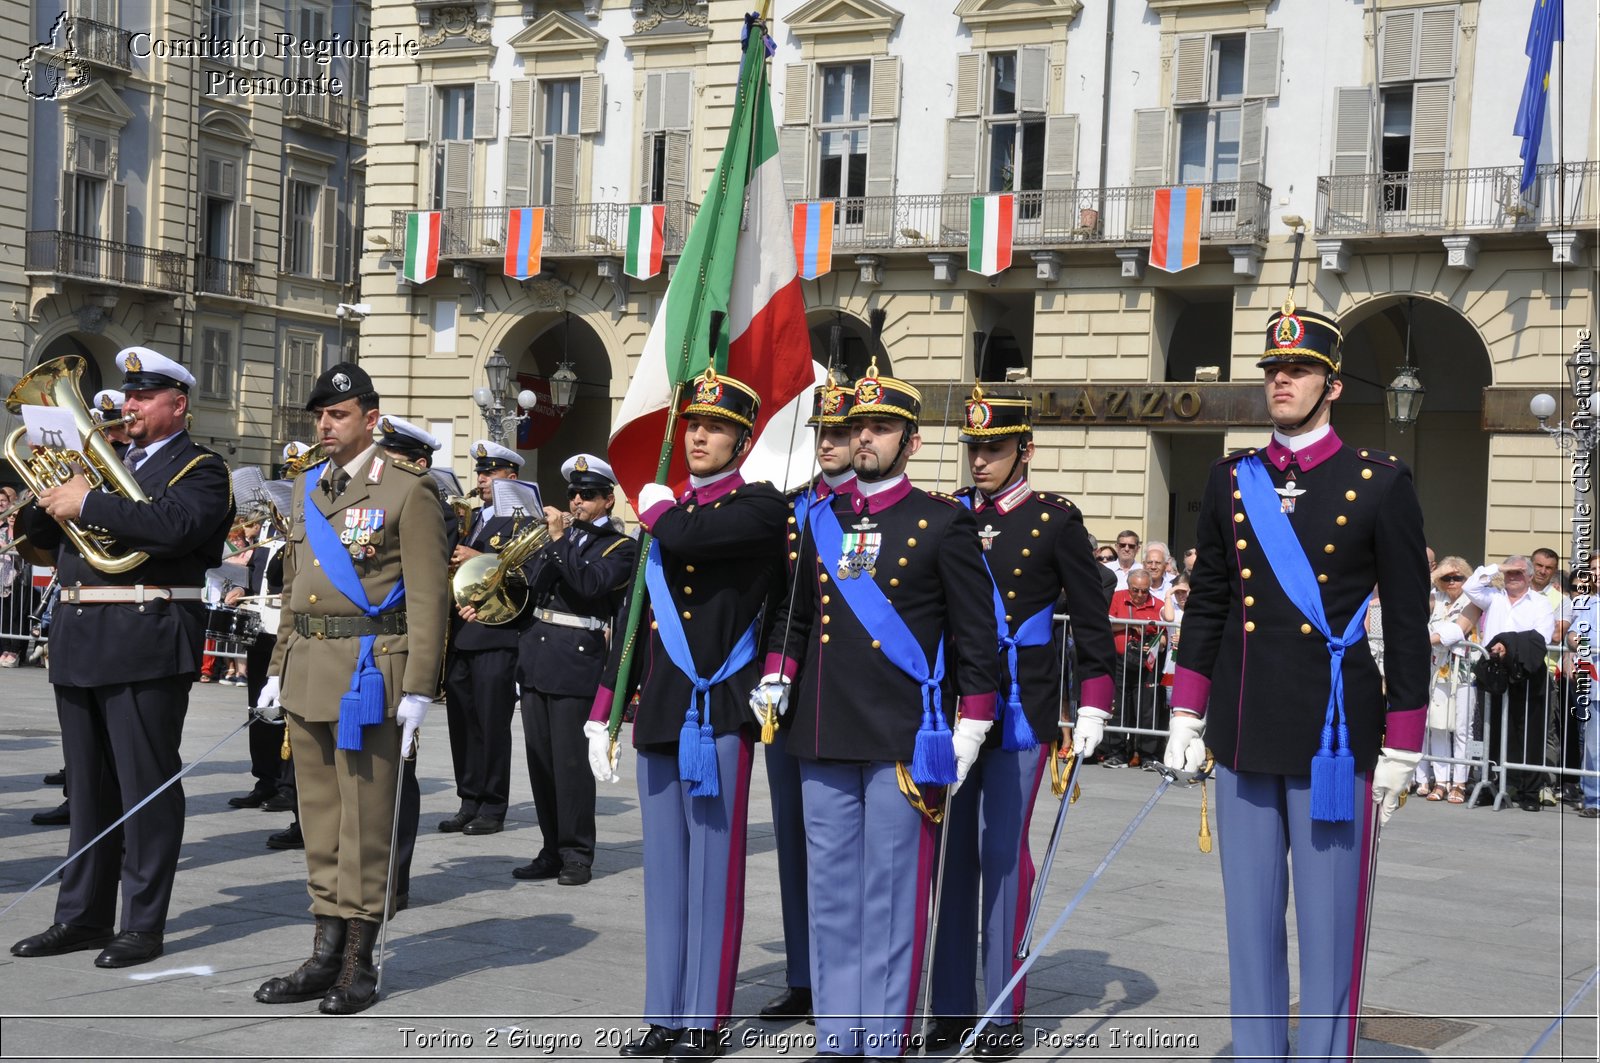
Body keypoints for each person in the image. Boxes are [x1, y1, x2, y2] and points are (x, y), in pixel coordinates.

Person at [1163, 300, 1430, 1062]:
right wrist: (1187, 712)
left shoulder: (1380, 481)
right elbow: (1210, 600)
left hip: (1333, 737)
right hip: (1244, 728)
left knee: (1330, 926)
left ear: (1332, 385)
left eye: (1300, 370)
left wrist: (1404, 747)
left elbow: (1408, 621)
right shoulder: (1229, 480)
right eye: (1274, 370)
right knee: (1247, 922)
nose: (1283, 381)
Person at [758, 365, 999, 1059]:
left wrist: (972, 723)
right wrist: (777, 675)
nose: (865, 437)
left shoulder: (943, 522)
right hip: (823, 728)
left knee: (892, 902)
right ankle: (838, 1039)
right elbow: (795, 618)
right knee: (830, 898)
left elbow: (977, 639)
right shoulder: (815, 519)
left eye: (882, 426)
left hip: (903, 737)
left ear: (911, 441)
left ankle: (884, 1040)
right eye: (858, 426)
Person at [9, 346, 234, 969]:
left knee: (145, 789)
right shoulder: (99, 464)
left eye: (143, 396)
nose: (128, 405)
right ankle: (80, 916)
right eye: (127, 395)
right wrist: (46, 495)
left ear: (177, 405)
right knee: (86, 791)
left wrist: (88, 501)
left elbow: (176, 528)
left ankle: (140, 923)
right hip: (81, 633)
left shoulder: (201, 468)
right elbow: (45, 542)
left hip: (146, 634)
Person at [588, 370, 787, 1060]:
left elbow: (703, 539)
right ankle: (663, 1011)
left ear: (743, 437)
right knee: (665, 873)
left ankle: (706, 1016)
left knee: (714, 872)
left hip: (722, 708)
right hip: (665, 707)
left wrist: (658, 512)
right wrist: (606, 709)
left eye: (715, 427)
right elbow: (633, 615)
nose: (698, 436)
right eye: (693, 425)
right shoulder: (663, 514)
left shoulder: (760, 507)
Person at [252, 362, 449, 1015]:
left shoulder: (405, 489)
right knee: (321, 821)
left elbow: (428, 597)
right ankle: (324, 949)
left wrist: (420, 685)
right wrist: (279, 667)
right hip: (309, 666)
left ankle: (359, 963)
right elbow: (294, 590)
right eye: (319, 415)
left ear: (370, 416)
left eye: (336, 414)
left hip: (371, 672)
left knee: (365, 821)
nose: (325, 425)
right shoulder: (308, 484)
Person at [928, 387, 1116, 1059]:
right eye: (973, 447)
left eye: (995, 448)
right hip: (951, 707)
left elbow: (1094, 620)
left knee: (1002, 853)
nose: (980, 459)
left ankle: (1001, 1011)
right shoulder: (945, 514)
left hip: (1019, 708)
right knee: (950, 860)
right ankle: (949, 1008)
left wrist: (1094, 700)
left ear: (1024, 450)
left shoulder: (1055, 520)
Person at [755, 377, 859, 1024]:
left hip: (855, 697)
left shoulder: (876, 512)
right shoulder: (791, 509)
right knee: (794, 841)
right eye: (823, 432)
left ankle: (850, 971)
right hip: (790, 694)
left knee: (852, 850)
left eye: (843, 433)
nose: (829, 443)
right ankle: (803, 974)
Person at [512, 453, 635, 886]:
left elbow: (590, 586)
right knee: (540, 763)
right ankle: (550, 848)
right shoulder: (558, 539)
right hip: (537, 660)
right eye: (573, 494)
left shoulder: (621, 548)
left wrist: (559, 538)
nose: (577, 500)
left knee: (570, 766)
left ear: (608, 500)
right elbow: (531, 588)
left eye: (587, 494)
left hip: (576, 661)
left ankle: (577, 854)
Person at [439, 440, 528, 836]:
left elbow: (525, 580)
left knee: (492, 725)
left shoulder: (523, 522)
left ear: (512, 477)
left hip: (497, 635)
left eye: (491, 473)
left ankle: (493, 806)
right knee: (463, 723)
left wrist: (476, 559)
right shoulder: (472, 518)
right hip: (461, 633)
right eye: (480, 473)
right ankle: (468, 798)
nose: (483, 479)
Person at [1462, 555, 1556, 810]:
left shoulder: (1541, 603)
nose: (1513, 576)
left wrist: (1508, 645)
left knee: (1528, 734)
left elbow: (1540, 637)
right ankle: (1486, 784)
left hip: (1526, 671)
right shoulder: (1492, 596)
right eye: (1510, 572)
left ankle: (1529, 792)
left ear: (1528, 577)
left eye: (1518, 572)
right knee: (1487, 730)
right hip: (1493, 671)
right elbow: (1469, 587)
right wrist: (1498, 568)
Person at [1417, 557, 1481, 803]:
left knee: (1462, 727)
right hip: (1437, 670)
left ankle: (1460, 782)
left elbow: (1458, 629)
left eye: (1458, 577)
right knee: (1438, 726)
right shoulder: (1437, 598)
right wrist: (1436, 575)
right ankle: (1441, 781)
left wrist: (1424, 640)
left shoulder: (1473, 600)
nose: (1453, 582)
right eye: (1448, 578)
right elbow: (1417, 595)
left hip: (1464, 671)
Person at [1104, 568, 1165, 767]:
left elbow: (1164, 633)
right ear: (1129, 587)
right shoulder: (1117, 598)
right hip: (1120, 659)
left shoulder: (1158, 604)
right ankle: (1118, 753)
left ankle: (1148, 755)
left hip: (1146, 662)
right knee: (1119, 706)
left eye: (1144, 591)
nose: (1140, 595)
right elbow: (1107, 624)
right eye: (1135, 590)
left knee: (1146, 708)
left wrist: (1159, 641)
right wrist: (1130, 625)